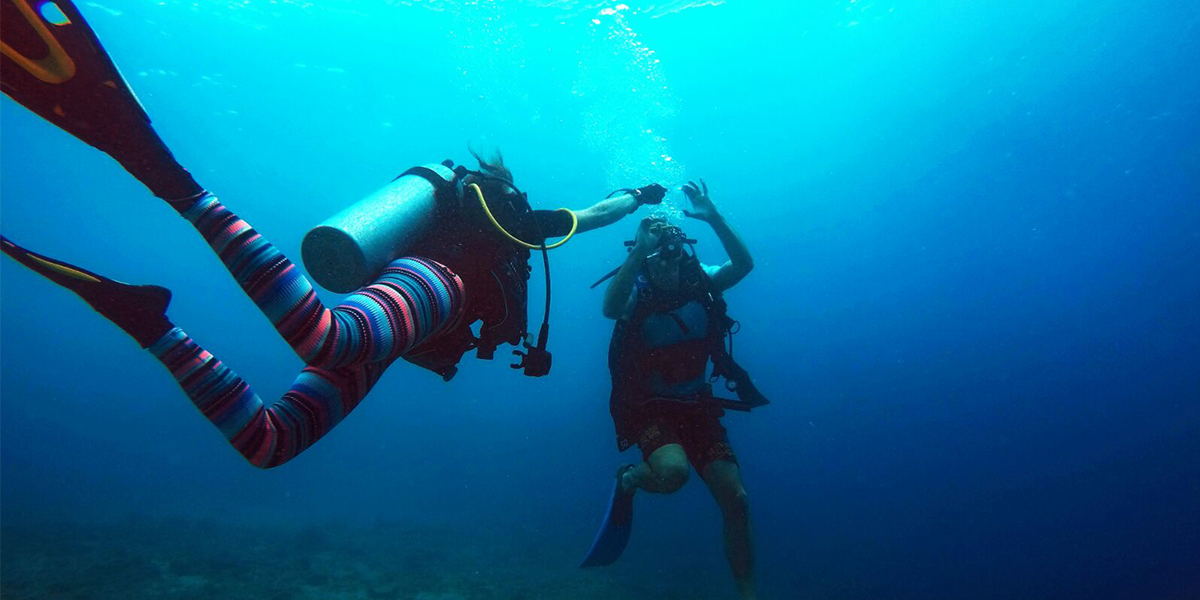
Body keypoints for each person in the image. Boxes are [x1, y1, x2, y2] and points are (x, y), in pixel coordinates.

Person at [0, 1, 664, 468]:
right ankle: (172, 180)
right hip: (428, 286)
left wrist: (634, 196)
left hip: (413, 326)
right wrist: (637, 196)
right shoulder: (511, 220)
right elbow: (597, 213)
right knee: (326, 336)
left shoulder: (498, 214)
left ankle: (151, 322)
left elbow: (597, 214)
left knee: (270, 443)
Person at [582, 180, 761, 600]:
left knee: (737, 500)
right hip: (649, 408)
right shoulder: (635, 292)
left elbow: (744, 265)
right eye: (657, 256)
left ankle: (749, 593)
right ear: (645, 258)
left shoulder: (703, 282)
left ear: (684, 252)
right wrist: (640, 251)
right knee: (673, 473)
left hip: (697, 404)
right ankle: (629, 480)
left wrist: (713, 216)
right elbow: (610, 308)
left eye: (673, 252)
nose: (668, 264)